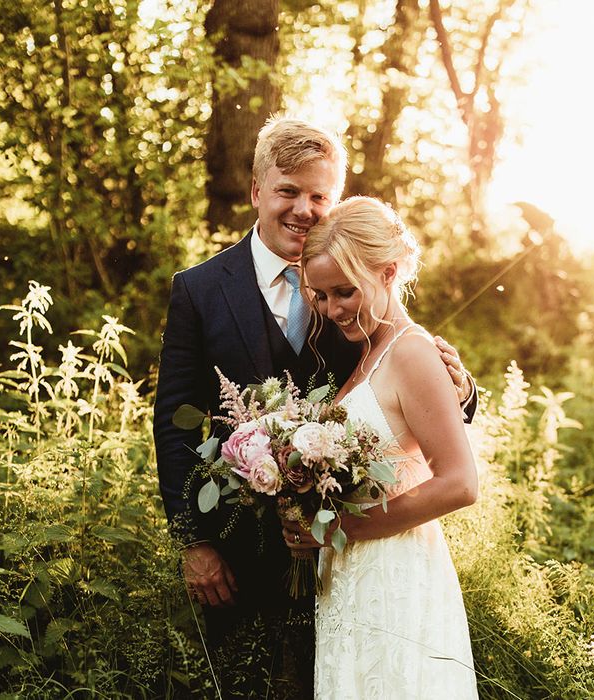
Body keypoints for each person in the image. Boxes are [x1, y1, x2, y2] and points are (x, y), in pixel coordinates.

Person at [153, 117, 476, 698]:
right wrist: (194, 544)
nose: (303, 209)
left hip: (351, 561)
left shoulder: (351, 281)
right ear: (257, 191)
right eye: (287, 192)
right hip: (240, 560)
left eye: (319, 196)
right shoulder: (200, 290)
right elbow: (173, 426)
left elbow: (408, 399)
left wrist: (462, 390)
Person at [282, 196, 479, 699]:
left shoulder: (411, 351)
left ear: (389, 272)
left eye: (344, 291)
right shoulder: (364, 356)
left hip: (398, 579)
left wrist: (344, 527)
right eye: (321, 297)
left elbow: (460, 483)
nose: (332, 309)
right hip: (352, 583)